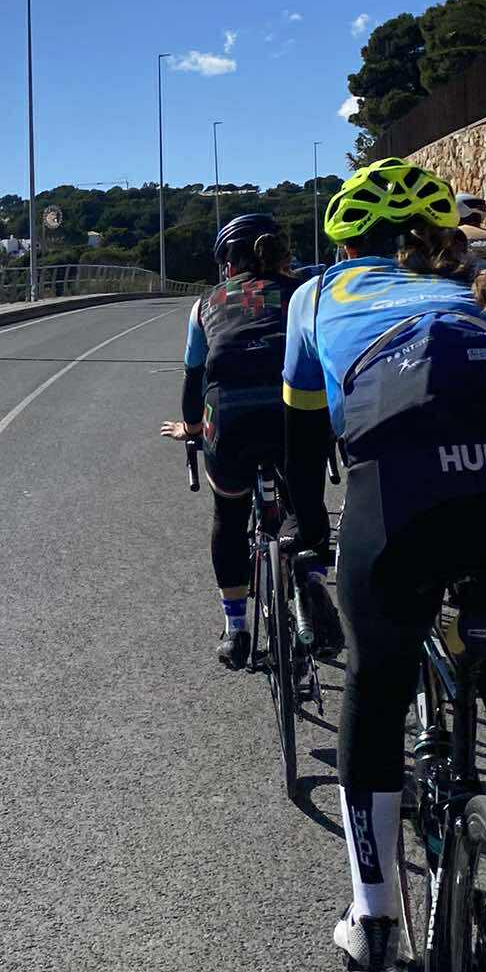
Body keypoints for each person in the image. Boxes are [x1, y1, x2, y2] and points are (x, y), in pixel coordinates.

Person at [281, 157, 486, 972]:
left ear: (344, 243)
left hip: (399, 497)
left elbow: (303, 442)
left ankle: (374, 915)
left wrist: (310, 537)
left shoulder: (315, 295)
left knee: (378, 679)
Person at [161, 214, 340, 669]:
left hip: (230, 418)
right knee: (303, 499)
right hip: (293, 410)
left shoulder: (205, 304)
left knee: (229, 513)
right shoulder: (304, 290)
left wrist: (192, 430)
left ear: (226, 264)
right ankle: (313, 583)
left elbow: (193, 379)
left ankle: (236, 628)